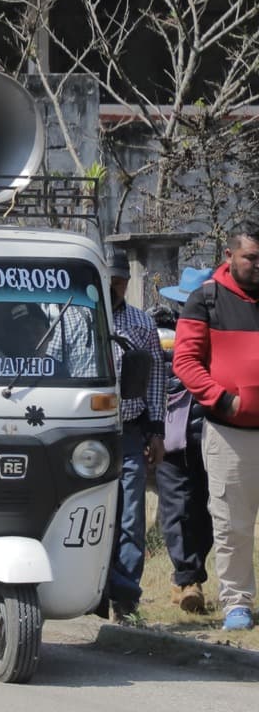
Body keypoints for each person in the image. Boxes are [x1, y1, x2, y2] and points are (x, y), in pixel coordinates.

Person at [170, 232, 259, 632]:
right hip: (230, 432)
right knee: (232, 523)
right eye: (251, 258)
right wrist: (224, 401)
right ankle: (237, 603)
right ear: (229, 254)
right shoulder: (205, 299)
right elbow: (186, 362)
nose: (258, 266)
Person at [105, 250, 168, 624]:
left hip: (129, 432)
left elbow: (156, 377)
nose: (115, 287)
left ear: (127, 282)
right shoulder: (76, 317)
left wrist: (156, 429)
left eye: (120, 280)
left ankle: (126, 598)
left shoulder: (141, 323)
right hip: (86, 433)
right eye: (110, 279)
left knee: (130, 514)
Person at [155, 269, 215, 612]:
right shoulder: (161, 335)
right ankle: (187, 579)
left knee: (208, 511)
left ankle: (191, 574)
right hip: (171, 437)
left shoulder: (222, 333)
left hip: (213, 435)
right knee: (176, 509)